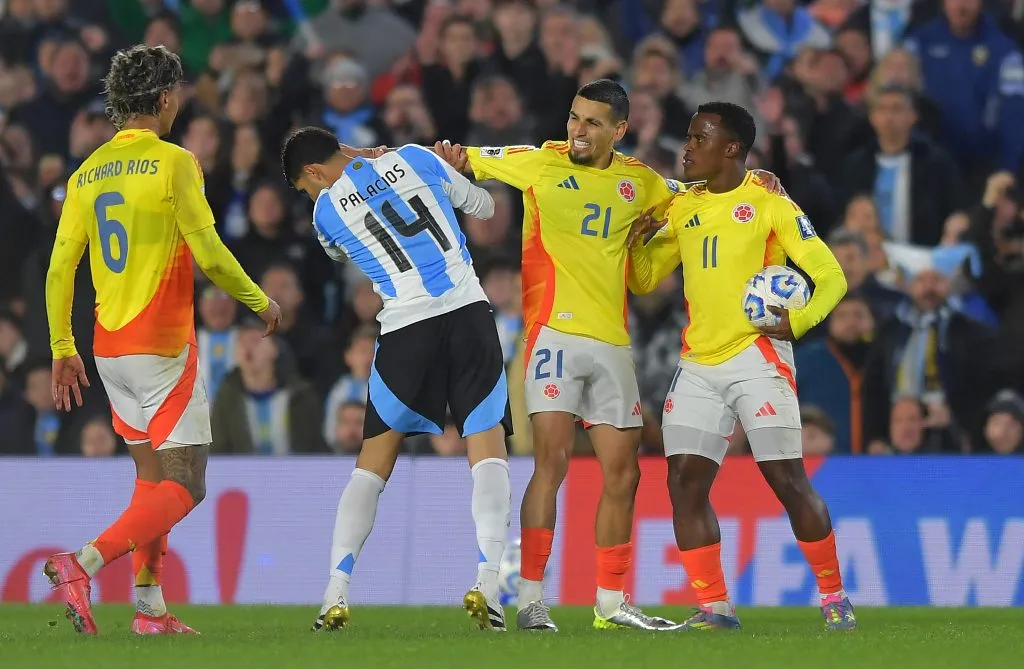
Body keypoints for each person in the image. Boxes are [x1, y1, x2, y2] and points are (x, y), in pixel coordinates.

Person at [434, 79, 786, 632]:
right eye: (574, 117)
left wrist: (758, 182)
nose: (577, 129)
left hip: (613, 345)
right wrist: (374, 160)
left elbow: (704, 190)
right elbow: (454, 159)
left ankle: (609, 602)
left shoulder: (641, 182)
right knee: (551, 463)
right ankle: (529, 598)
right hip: (552, 335)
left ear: (619, 130)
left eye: (593, 122)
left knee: (623, 476)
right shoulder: (536, 163)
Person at [43, 45, 281, 636]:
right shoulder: (175, 162)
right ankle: (83, 563)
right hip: (162, 345)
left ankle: (149, 609)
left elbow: (58, 270)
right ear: (166, 97)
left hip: (108, 348)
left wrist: (60, 347)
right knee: (187, 481)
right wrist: (260, 301)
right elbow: (209, 253)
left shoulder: (85, 173)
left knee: (152, 480)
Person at [627, 102, 856, 631]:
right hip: (699, 362)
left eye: (698, 138)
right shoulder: (684, 208)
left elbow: (831, 275)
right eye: (687, 137)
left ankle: (834, 596)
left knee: (786, 479)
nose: (686, 148)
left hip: (758, 356)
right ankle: (715, 607)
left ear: (731, 148)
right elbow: (643, 281)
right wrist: (639, 241)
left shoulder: (771, 203)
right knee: (682, 480)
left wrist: (798, 323)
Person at [280, 126, 513, 632]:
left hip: (407, 329)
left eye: (306, 186)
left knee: (373, 462)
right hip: (468, 312)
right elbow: (486, 209)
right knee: (487, 446)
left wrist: (356, 175)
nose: (311, 195)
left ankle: (334, 592)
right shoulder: (415, 157)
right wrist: (450, 173)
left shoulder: (325, 212)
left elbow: (341, 252)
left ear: (315, 173)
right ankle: (490, 584)